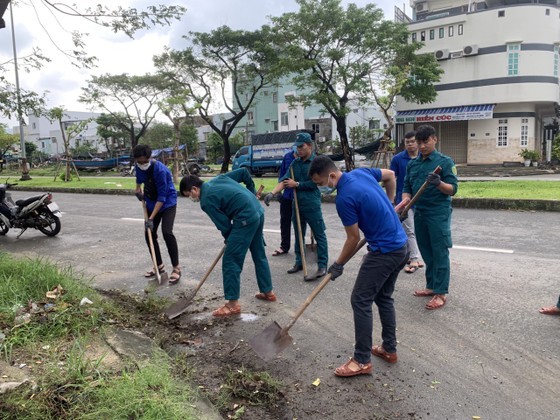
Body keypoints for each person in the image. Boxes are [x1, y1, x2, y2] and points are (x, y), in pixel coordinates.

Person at [308, 155, 408, 377]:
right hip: (401, 248)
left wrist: (338, 264)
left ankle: (362, 360)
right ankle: (389, 349)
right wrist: (391, 205)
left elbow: (353, 238)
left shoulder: (344, 199)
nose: (322, 188)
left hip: (384, 253)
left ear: (332, 176)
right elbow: (391, 176)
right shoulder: (361, 172)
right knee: (383, 297)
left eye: (321, 183)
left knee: (360, 299)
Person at [179, 168, 276, 316]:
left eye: (190, 195)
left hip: (245, 218)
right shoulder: (219, 179)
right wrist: (251, 191)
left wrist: (231, 240)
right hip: (257, 211)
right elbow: (244, 172)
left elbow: (223, 224)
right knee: (258, 253)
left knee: (231, 260)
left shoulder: (206, 200)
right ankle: (267, 291)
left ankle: (232, 305)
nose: (193, 199)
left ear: (194, 189)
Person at [396, 124, 458, 310]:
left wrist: (439, 183)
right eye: (419, 142)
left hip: (438, 213)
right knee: (426, 251)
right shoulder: (413, 164)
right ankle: (431, 286)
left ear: (434, 140)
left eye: (426, 142)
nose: (422, 146)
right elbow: (407, 187)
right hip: (420, 213)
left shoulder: (445, 163)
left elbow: (453, 189)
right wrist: (406, 201)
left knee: (439, 252)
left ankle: (440, 292)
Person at [264, 132, 328, 280]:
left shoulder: (317, 162)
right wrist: (272, 193)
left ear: (309, 146)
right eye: (297, 147)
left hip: (311, 204)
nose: (298, 150)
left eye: (301, 146)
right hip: (297, 204)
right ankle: (300, 262)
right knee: (299, 233)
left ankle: (322, 266)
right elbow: (285, 180)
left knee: (319, 234)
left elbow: (318, 183)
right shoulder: (295, 163)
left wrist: (297, 184)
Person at [133, 144, 181, 284]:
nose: (142, 164)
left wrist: (152, 218)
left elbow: (162, 197)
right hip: (151, 201)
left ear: (150, 157)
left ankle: (176, 268)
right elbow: (139, 183)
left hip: (167, 204)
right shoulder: (138, 167)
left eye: (144, 161)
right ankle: (158, 265)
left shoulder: (161, 171)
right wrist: (138, 192)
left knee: (167, 232)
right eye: (139, 162)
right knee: (149, 234)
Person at [390, 130, 424, 273]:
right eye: (407, 142)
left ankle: (412, 256)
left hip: (421, 200)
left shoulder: (424, 157)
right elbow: (391, 178)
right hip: (404, 200)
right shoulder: (398, 159)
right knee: (409, 230)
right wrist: (391, 199)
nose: (410, 145)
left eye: (412, 141)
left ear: (418, 142)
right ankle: (414, 258)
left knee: (418, 231)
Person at [272, 147, 297, 256]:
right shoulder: (288, 157)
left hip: (300, 196)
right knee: (285, 221)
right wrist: (277, 192)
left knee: (300, 224)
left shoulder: (308, 158)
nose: (299, 149)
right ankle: (284, 246)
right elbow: (282, 176)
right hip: (287, 195)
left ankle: (300, 248)